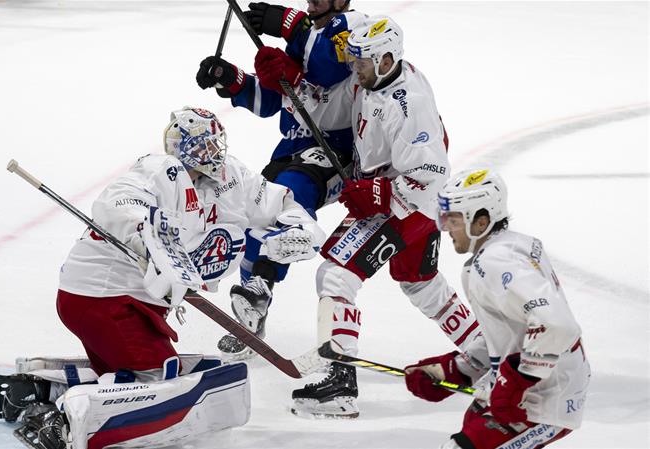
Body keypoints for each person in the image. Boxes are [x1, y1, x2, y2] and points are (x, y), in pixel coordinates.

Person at [0, 107, 326, 449]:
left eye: (215, 143)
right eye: (203, 145)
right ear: (184, 146)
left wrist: (301, 229)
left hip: (133, 302)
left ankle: (37, 390)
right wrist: (145, 232)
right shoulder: (159, 170)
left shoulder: (231, 177)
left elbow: (279, 201)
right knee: (159, 377)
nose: (212, 152)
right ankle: (61, 420)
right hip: (101, 297)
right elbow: (117, 202)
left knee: (139, 379)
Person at [289, 16, 485, 419]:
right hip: (400, 200)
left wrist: (380, 192)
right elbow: (330, 113)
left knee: (336, 274)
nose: (354, 69)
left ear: (386, 59)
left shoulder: (409, 102)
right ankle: (490, 356)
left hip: (408, 204)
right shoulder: (373, 79)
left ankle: (341, 383)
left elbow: (431, 176)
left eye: (361, 62)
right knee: (421, 284)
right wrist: (291, 84)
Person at [195, 0, 367, 359]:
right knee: (254, 211)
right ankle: (251, 312)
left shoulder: (353, 27)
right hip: (292, 147)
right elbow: (274, 100)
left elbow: (326, 70)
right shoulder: (304, 35)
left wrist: (292, 26)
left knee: (292, 192)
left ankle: (264, 283)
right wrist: (231, 79)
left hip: (337, 151)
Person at [403, 168, 590, 449]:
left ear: (481, 222)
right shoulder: (511, 246)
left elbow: (557, 325)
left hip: (545, 399)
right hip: (524, 389)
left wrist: (515, 381)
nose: (446, 227)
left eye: (453, 219)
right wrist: (455, 369)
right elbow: (511, 329)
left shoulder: (498, 262)